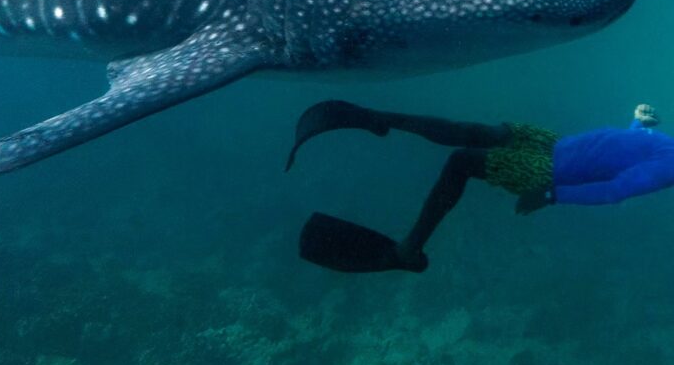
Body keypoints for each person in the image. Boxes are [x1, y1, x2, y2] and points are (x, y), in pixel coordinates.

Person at [287, 101, 674, 274]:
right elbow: (624, 152)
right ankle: (381, 119)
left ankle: (408, 249)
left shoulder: (669, 166)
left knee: (461, 162)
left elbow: (616, 190)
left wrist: (554, 195)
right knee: (475, 132)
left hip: (549, 169)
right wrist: (638, 123)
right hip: (554, 143)